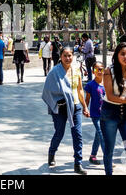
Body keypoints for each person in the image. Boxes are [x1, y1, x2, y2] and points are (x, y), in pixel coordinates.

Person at [42, 47, 90, 175]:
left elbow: (80, 89)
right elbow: (47, 90)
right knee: (59, 132)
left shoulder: (76, 70)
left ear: (73, 56)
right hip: (61, 108)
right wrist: (56, 101)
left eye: (70, 55)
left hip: (75, 106)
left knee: (78, 134)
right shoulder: (55, 72)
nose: (68, 58)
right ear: (61, 57)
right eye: (65, 56)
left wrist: (85, 106)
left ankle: (78, 163)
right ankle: (52, 152)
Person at [100, 42, 126, 175]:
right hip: (109, 113)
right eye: (123, 54)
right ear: (117, 55)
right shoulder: (109, 71)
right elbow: (110, 96)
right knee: (109, 150)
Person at [84, 61, 106, 165]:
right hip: (95, 114)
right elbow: (87, 99)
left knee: (98, 134)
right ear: (93, 71)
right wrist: (85, 109)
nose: (100, 71)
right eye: (97, 69)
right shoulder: (90, 85)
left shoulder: (107, 83)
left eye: (102, 69)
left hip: (106, 114)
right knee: (101, 134)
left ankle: (93, 155)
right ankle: (108, 158)